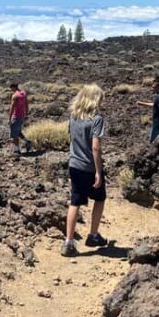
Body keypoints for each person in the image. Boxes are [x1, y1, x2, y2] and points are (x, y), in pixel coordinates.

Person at [62, 84, 108, 257]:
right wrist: (98, 171)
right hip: (89, 166)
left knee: (75, 202)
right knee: (100, 198)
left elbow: (71, 138)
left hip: (74, 164)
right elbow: (96, 148)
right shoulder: (96, 119)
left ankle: (69, 242)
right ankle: (93, 235)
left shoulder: (73, 117)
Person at [8, 82, 33, 155]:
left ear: (13, 87)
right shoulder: (23, 93)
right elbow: (26, 104)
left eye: (11, 88)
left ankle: (16, 150)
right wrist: (26, 114)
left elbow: (12, 108)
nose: (11, 90)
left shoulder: (15, 96)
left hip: (15, 116)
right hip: (22, 116)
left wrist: (9, 119)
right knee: (18, 131)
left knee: (14, 135)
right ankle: (27, 142)